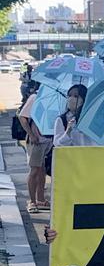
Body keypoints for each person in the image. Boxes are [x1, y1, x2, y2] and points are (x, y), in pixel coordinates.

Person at [18, 81, 52, 214]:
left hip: (47, 140)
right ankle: (32, 201)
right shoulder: (35, 98)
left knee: (42, 170)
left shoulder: (56, 99)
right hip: (37, 140)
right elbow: (23, 117)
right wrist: (31, 135)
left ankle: (40, 199)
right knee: (35, 170)